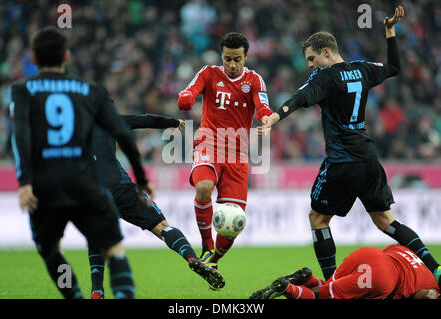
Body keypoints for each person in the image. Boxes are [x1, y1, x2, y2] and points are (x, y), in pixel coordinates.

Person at [259, 6, 441, 285]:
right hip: (368, 157)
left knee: (318, 219)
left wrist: (274, 116)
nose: (309, 64)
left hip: (342, 160)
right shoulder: (362, 70)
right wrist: (390, 33)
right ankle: (436, 269)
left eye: (311, 58)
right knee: (386, 221)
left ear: (326, 52)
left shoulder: (325, 77)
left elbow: (298, 98)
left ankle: (334, 286)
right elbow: (394, 67)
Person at [9, 26, 147, 299]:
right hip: (85, 181)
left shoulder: (22, 90)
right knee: (114, 248)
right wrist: (142, 178)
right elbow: (122, 132)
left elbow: (21, 134)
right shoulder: (89, 91)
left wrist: (24, 181)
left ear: (34, 59)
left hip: (45, 185)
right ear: (67, 56)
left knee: (50, 251)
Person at [87, 114, 225, 299]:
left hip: (92, 191)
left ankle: (97, 291)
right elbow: (146, 120)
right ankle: (192, 258)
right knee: (162, 227)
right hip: (121, 187)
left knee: (97, 238)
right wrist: (173, 122)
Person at [177, 32, 273, 289]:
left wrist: (265, 117)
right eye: (228, 59)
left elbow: (262, 105)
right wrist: (185, 98)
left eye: (237, 59)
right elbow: (189, 90)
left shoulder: (254, 80)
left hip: (238, 154)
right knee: (203, 188)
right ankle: (207, 246)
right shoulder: (209, 73)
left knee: (234, 223)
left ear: (246, 56)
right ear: (222, 56)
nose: (232, 65)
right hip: (208, 142)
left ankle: (212, 261)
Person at [250, 244, 440, 299]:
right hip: (383, 279)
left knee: (328, 287)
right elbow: (427, 295)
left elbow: (393, 248)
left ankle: (308, 279)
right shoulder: (432, 288)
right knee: (321, 298)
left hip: (369, 254)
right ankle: (287, 289)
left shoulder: (418, 262)